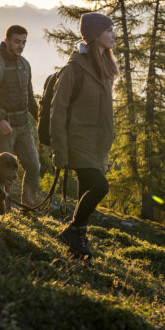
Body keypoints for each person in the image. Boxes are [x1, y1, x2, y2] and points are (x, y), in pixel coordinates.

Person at [50, 13, 118, 258]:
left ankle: (76, 246)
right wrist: (59, 149)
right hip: (77, 141)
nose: (113, 35)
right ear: (94, 35)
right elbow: (58, 111)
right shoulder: (73, 69)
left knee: (86, 192)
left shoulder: (106, 68)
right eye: (109, 30)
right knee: (100, 187)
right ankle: (74, 230)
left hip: (97, 144)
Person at [0, 25, 40, 206]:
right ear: (7, 41)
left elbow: (29, 97)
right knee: (3, 173)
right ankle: (5, 211)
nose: (21, 46)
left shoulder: (24, 64)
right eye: (17, 41)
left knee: (34, 167)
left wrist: (39, 118)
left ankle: (28, 206)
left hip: (23, 127)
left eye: (24, 42)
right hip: (3, 128)